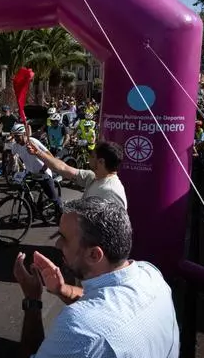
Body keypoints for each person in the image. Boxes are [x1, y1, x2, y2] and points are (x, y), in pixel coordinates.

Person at [13, 197, 179, 358]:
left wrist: (32, 300)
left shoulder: (79, 329)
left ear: (94, 255)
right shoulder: (150, 274)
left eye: (64, 238)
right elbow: (108, 301)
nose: (57, 244)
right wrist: (62, 290)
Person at [29, 140, 127, 209]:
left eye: (92, 156)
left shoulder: (110, 192)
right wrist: (38, 153)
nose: (89, 159)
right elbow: (63, 168)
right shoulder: (93, 177)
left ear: (101, 162)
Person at [10, 123, 63, 215]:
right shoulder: (15, 146)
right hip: (30, 173)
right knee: (21, 191)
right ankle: (32, 211)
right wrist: (11, 170)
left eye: (17, 136)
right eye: (14, 136)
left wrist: (45, 168)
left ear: (23, 134)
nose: (15, 138)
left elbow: (50, 155)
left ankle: (61, 214)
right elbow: (12, 157)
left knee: (54, 198)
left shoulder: (33, 141)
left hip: (43, 173)